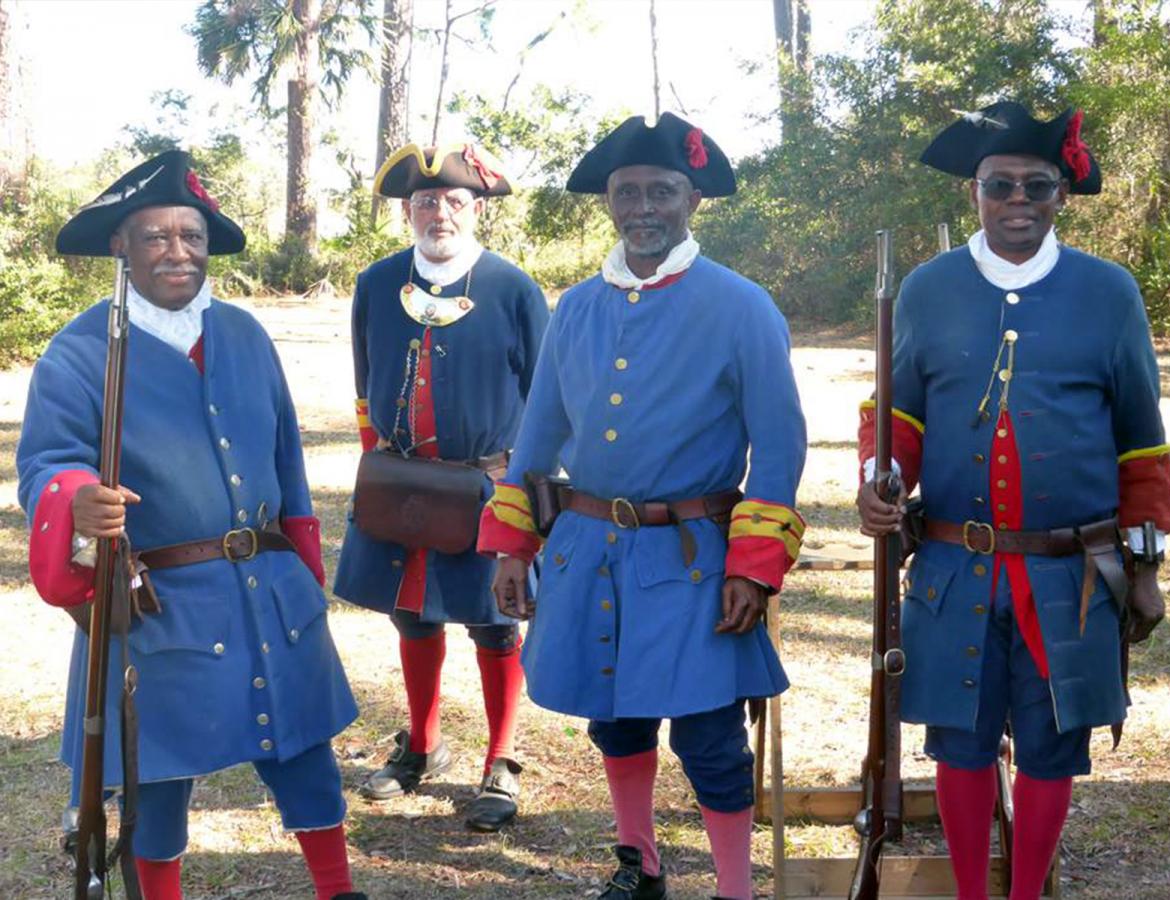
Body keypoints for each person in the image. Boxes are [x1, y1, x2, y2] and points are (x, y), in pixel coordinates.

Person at [17, 150, 365, 900]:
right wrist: (76, 496)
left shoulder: (244, 334)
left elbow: (289, 463)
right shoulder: (80, 353)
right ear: (121, 246)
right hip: (163, 602)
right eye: (157, 236)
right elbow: (46, 465)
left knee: (306, 752)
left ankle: (339, 892)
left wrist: (303, 571)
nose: (178, 251)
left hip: (269, 590)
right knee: (158, 774)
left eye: (192, 236)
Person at [478, 113, 806, 900]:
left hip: (693, 559)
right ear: (609, 203)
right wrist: (512, 546)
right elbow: (537, 436)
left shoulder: (742, 306)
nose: (644, 207)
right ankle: (640, 865)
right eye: (628, 192)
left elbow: (781, 447)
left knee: (710, 737)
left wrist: (755, 567)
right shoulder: (578, 307)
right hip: (588, 552)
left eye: (662, 190)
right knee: (616, 721)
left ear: (693, 197)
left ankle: (735, 888)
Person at [856, 102, 1170, 900]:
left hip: (1068, 575)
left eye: (1037, 186)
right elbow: (895, 414)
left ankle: (1027, 891)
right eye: (1000, 186)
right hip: (954, 568)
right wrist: (878, 478)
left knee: (1050, 743)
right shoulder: (928, 290)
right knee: (959, 745)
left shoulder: (1109, 292)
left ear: (1061, 193)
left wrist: (1144, 566)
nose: (1018, 203)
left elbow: (1141, 437)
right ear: (975, 192)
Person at [333, 142, 548, 832]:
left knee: (494, 623)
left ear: (476, 208)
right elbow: (366, 384)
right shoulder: (376, 283)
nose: (440, 213)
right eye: (426, 201)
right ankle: (422, 745)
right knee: (412, 614)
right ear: (406, 210)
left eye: (455, 201)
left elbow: (544, 399)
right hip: (402, 486)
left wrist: (524, 492)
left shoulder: (513, 288)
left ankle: (502, 757)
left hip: (486, 488)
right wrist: (383, 474)